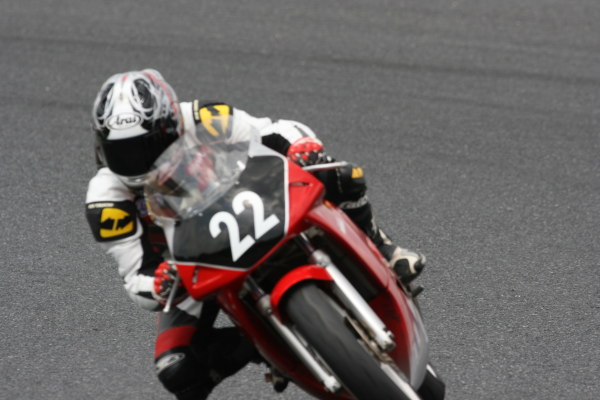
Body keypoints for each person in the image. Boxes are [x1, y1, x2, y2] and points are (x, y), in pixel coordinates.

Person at [85, 69, 425, 400]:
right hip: (192, 265)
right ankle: (263, 344)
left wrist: (302, 147)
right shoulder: (106, 200)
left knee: (341, 175)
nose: (138, 161)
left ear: (171, 123)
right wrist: (159, 282)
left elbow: (274, 130)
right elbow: (136, 277)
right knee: (176, 369)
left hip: (254, 203)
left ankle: (384, 248)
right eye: (122, 153)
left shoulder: (204, 116)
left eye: (147, 146)